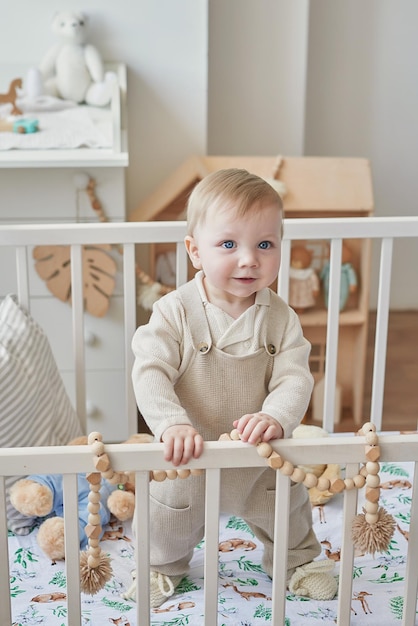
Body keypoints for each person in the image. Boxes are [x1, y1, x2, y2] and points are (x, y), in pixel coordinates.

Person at [130, 168, 337, 607]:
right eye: (229, 244)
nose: (249, 259)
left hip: (258, 456)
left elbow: (294, 376)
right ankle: (161, 566)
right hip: (188, 457)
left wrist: (275, 417)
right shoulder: (174, 312)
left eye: (265, 244)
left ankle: (299, 561)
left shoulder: (281, 317)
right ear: (195, 252)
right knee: (166, 522)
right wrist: (170, 424)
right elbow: (149, 371)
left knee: (287, 511)